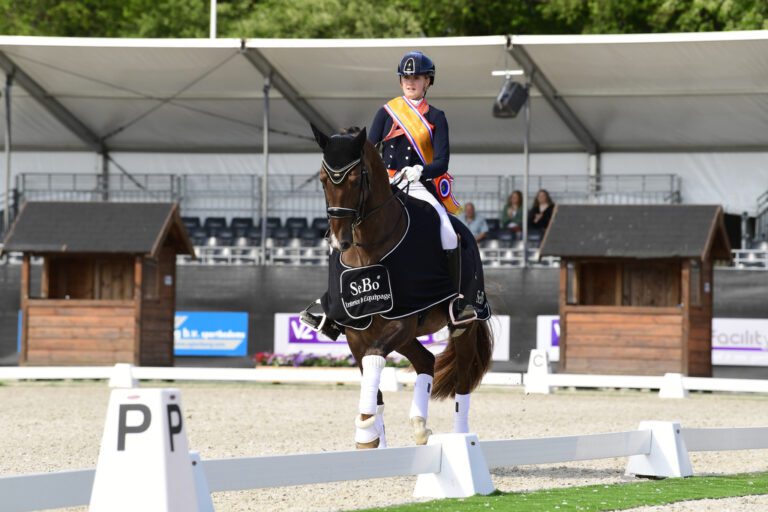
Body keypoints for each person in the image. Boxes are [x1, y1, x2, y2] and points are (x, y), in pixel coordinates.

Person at [368, 50, 474, 326]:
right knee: (344, 226)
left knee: (448, 232)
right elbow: (367, 151)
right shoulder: (387, 112)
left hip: (416, 184)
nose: (410, 82)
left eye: (416, 77)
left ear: (428, 81)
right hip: (386, 183)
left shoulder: (436, 117)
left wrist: (420, 171)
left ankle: (454, 300)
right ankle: (329, 301)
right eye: (406, 77)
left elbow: (441, 162)